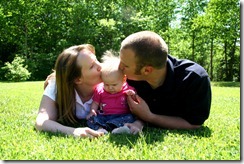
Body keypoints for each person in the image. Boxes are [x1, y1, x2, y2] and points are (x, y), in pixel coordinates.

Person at [119, 31, 212, 130]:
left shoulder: (194, 78)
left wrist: (149, 117)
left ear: (147, 70)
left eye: (125, 65)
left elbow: (194, 123)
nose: (119, 67)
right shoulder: (129, 76)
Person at [35, 44, 105, 138]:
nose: (100, 66)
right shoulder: (56, 86)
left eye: (97, 60)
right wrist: (73, 131)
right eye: (92, 66)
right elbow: (41, 122)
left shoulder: (112, 82)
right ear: (77, 80)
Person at [86, 51, 138, 134]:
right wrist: (92, 111)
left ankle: (119, 129)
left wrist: (132, 95)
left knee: (130, 117)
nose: (110, 87)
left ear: (123, 80)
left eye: (114, 84)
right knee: (91, 119)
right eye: (106, 84)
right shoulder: (99, 89)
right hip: (104, 116)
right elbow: (95, 102)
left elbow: (135, 102)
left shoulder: (127, 89)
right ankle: (100, 129)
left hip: (122, 116)